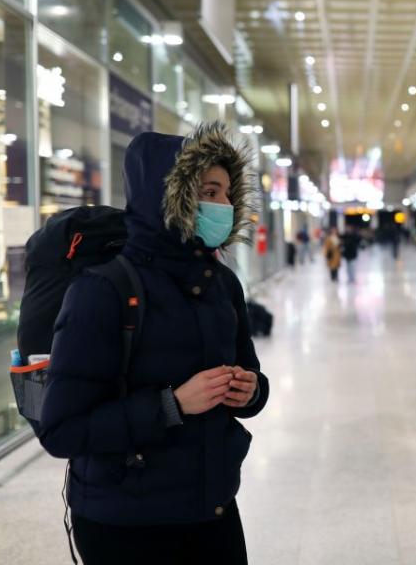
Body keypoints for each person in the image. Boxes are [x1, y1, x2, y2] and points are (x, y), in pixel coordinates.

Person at [39, 123, 270, 565]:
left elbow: (252, 379)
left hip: (211, 508)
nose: (225, 205)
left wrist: (251, 389)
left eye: (226, 193)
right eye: (209, 191)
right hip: (125, 524)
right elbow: (62, 429)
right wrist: (173, 405)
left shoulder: (222, 283)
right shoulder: (101, 292)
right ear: (170, 198)